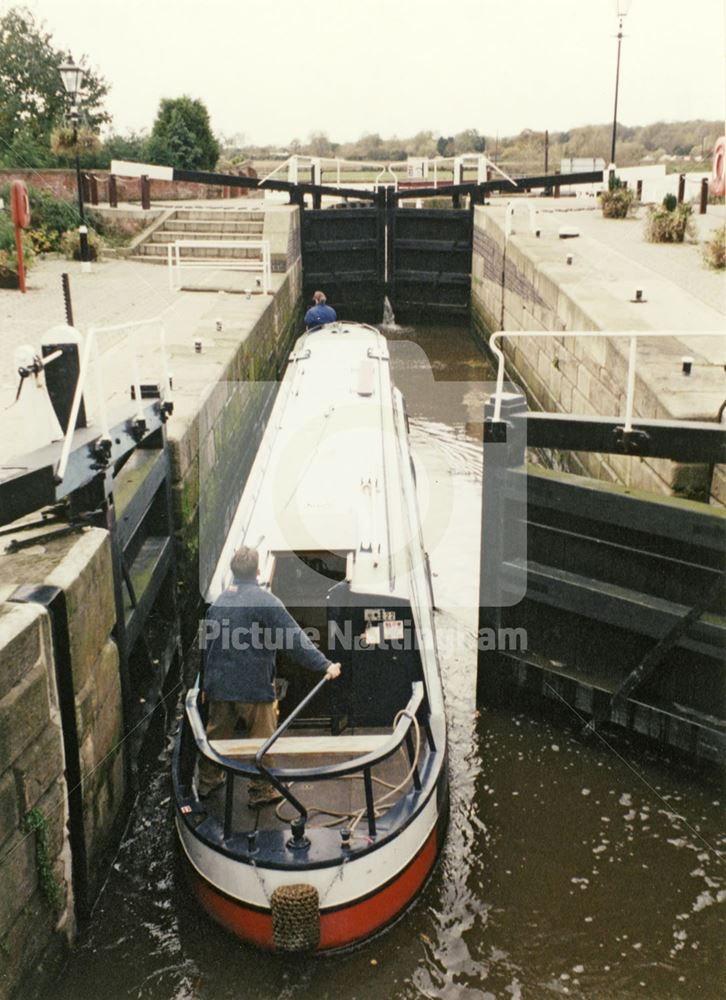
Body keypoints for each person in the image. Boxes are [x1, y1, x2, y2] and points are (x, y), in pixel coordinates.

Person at [198, 546, 341, 807]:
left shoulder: (218, 604)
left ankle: (208, 783)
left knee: (216, 736)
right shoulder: (267, 602)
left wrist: (207, 683)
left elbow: (208, 646)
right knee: (262, 739)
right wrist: (325, 665)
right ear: (258, 571)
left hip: (219, 685)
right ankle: (262, 789)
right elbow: (295, 640)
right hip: (253, 688)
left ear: (233, 571)